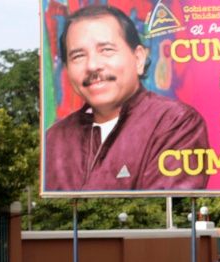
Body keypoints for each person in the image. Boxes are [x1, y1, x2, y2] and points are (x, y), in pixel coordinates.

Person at [44, 5, 209, 191]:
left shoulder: (176, 123)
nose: (92, 65)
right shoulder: (54, 139)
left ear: (138, 59)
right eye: (78, 56)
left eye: (106, 50)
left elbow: (163, 209)